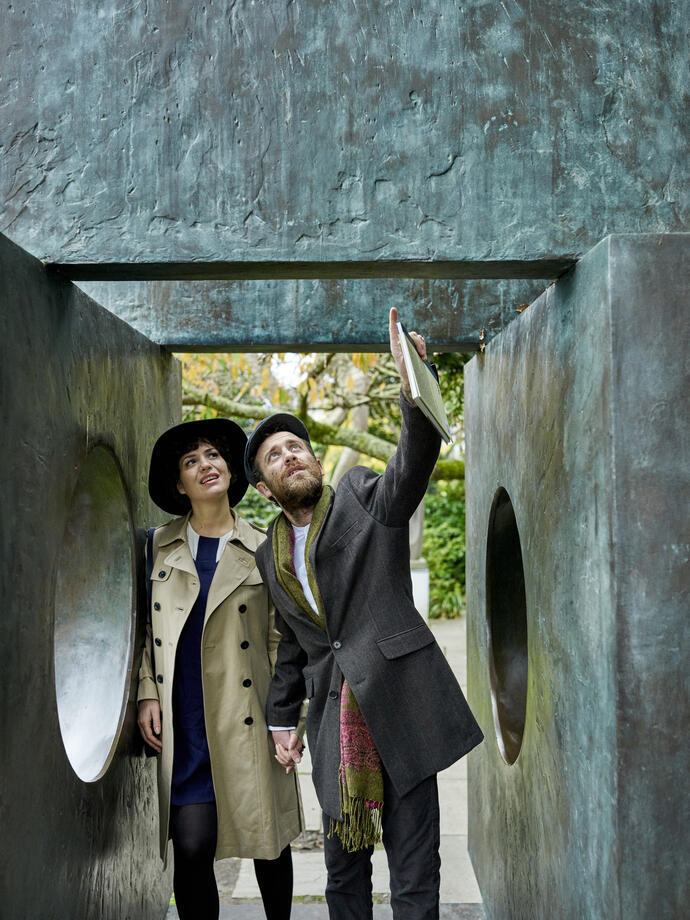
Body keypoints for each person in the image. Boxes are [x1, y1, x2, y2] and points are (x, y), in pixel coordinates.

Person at [242, 308, 484, 920]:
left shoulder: (357, 495)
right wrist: (280, 721)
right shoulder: (270, 556)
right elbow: (296, 648)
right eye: (275, 455)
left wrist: (415, 386)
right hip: (333, 724)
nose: (291, 455)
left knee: (413, 866)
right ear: (264, 487)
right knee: (343, 875)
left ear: (315, 460)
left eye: (297, 446)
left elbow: (410, 469)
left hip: (401, 701)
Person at [137, 417, 303, 920]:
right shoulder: (154, 545)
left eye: (212, 455)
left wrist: (286, 718)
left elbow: (283, 638)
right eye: (191, 461)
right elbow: (143, 628)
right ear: (179, 485)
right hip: (183, 722)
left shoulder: (264, 545)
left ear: (229, 468)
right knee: (190, 849)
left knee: (268, 845)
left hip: (248, 715)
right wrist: (147, 689)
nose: (206, 465)